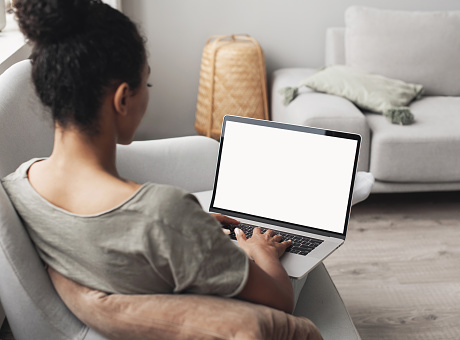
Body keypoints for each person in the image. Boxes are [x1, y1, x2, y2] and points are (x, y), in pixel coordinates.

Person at [2, 0, 294, 314]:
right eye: (147, 82)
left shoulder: (20, 184)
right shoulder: (165, 214)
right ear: (123, 98)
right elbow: (280, 299)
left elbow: (110, 233)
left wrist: (189, 233)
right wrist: (261, 251)